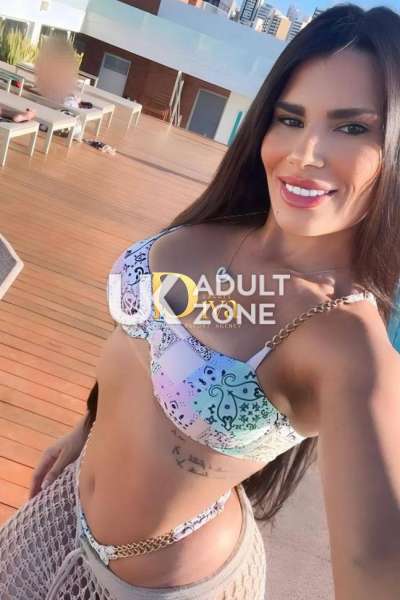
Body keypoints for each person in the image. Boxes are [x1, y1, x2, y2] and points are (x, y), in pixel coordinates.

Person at [1, 3, 400, 599]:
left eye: (352, 128)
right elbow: (140, 348)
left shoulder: (345, 340)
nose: (305, 152)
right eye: (290, 118)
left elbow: (376, 562)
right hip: (60, 509)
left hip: (160, 584)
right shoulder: (224, 226)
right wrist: (85, 428)